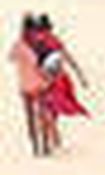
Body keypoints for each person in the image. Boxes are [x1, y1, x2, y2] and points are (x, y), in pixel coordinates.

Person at [30, 14, 90, 152]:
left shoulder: (50, 43)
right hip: (49, 82)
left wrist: (81, 76)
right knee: (47, 115)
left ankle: (54, 145)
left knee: (47, 114)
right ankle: (54, 144)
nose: (41, 34)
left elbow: (65, 60)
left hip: (54, 83)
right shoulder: (40, 44)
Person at [9, 15, 47, 157]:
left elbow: (11, 58)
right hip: (36, 83)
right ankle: (40, 147)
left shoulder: (20, 44)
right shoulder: (37, 43)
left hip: (28, 84)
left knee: (32, 117)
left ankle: (39, 147)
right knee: (37, 116)